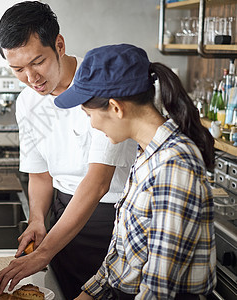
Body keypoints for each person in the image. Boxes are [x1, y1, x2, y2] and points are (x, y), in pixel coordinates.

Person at [0, 2, 137, 299]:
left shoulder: (102, 85)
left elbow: (97, 183)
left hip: (109, 220)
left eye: (37, 62)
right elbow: (40, 174)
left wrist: (44, 252)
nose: (31, 78)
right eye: (18, 69)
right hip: (61, 216)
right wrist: (37, 219)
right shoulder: (27, 103)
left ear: (59, 44)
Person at [55, 44, 216, 299]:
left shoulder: (174, 165)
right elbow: (125, 256)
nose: (93, 125)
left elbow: (158, 290)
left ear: (116, 108)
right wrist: (88, 294)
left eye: (89, 115)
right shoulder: (146, 153)